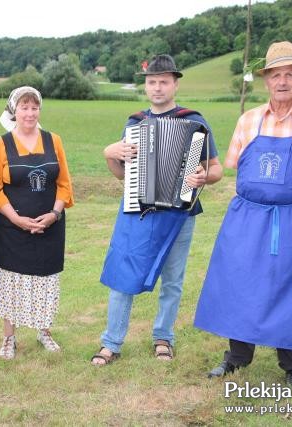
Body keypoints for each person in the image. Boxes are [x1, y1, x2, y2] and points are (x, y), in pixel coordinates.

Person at [194, 41, 292, 388]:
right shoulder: (248, 121)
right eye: (276, 75)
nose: (282, 82)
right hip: (247, 216)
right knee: (240, 280)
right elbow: (236, 170)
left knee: (289, 285)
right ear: (266, 81)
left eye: (290, 74)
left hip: (291, 217)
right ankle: (237, 357)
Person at [91, 54, 223, 366]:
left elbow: (215, 169)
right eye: (152, 82)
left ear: (175, 84)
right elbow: (123, 174)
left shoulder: (195, 122)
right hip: (138, 209)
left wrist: (205, 176)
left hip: (180, 213)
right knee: (124, 273)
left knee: (173, 280)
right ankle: (111, 342)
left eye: (164, 81)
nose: (158, 87)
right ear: (146, 85)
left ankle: (163, 337)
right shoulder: (135, 124)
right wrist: (109, 154)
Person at [0, 86, 74, 359]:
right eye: (24, 107)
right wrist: (18, 220)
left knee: (46, 279)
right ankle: (9, 338)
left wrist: (54, 214)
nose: (30, 113)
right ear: (14, 111)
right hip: (12, 227)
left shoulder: (53, 141)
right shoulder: (0, 144)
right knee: (10, 280)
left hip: (50, 225)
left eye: (34, 107)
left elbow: (64, 184)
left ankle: (44, 331)